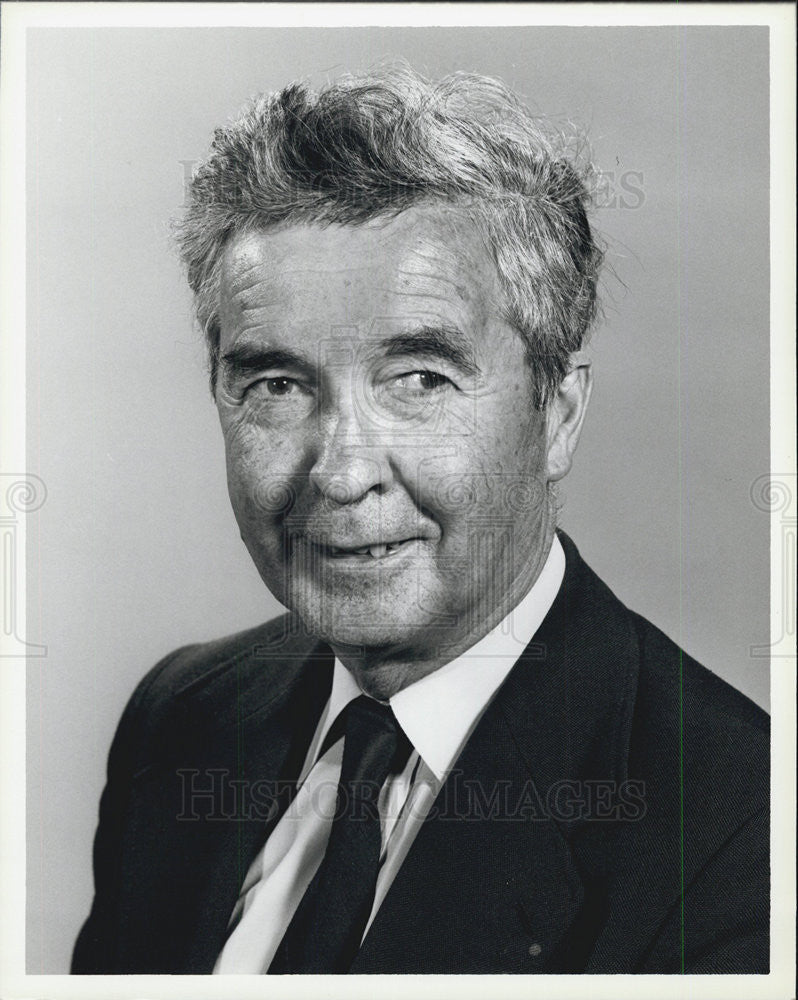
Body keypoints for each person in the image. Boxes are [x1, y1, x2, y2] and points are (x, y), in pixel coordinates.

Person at [71, 67, 769, 975]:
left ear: (558, 414)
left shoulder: (741, 831)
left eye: (421, 382)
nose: (344, 472)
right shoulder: (184, 718)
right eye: (277, 386)